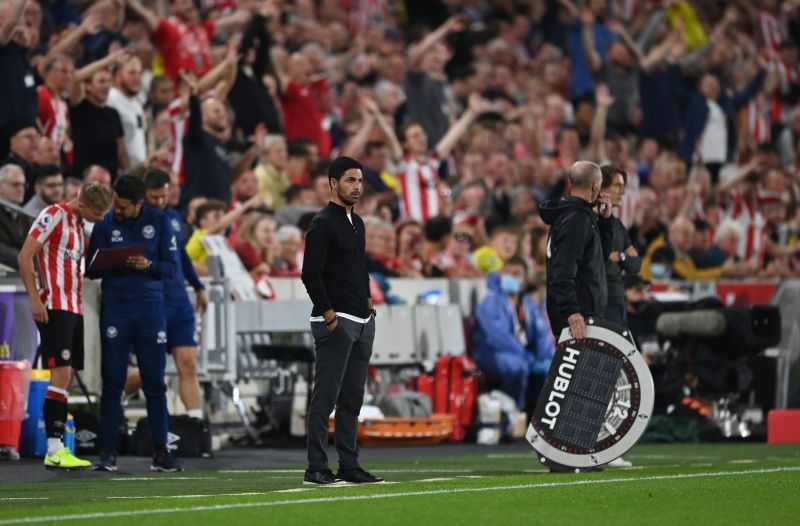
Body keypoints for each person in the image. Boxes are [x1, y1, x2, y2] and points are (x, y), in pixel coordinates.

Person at [87, 175, 181, 472]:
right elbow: (90, 269)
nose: (116, 210)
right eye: (115, 203)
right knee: (112, 382)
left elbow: (171, 268)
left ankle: (161, 452)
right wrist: (113, 261)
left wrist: (148, 265)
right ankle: (107, 453)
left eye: (122, 206)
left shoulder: (161, 222)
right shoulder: (104, 224)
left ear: (139, 204)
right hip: (116, 308)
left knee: (155, 383)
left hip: (150, 309)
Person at [17, 181, 111, 470]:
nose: (99, 218)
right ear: (82, 203)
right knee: (60, 373)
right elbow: (25, 256)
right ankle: (54, 448)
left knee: (67, 375)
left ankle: (59, 447)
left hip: (74, 306)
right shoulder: (53, 215)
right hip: (54, 307)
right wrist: (35, 299)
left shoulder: (79, 224)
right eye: (97, 213)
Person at [300, 156, 382, 485]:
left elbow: (358, 268)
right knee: (326, 397)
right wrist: (328, 313)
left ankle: (349, 465)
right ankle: (316, 467)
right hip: (337, 321)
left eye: (360, 181)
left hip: (361, 320)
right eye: (350, 180)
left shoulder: (357, 223)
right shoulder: (322, 223)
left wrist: (366, 300)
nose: (357, 186)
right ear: (333, 183)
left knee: (352, 399)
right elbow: (310, 273)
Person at [143, 169, 208, 425]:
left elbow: (182, 255)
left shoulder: (174, 218)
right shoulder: (137, 219)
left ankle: (195, 425)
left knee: (188, 364)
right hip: (152, 301)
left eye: (163, 196)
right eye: (153, 197)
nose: (159, 201)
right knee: (151, 369)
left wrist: (198, 286)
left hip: (179, 301)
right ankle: (116, 403)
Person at [539, 160, 613, 340]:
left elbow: (599, 258)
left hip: (581, 317)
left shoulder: (576, 215)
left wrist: (605, 221)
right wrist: (571, 311)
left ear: (571, 184)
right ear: (595, 187)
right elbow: (562, 270)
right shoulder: (576, 220)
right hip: (578, 321)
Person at [473, 257, 552, 410]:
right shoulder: (492, 300)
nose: (510, 277)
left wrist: (545, 356)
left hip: (519, 353)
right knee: (517, 366)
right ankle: (512, 412)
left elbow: (540, 331)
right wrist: (526, 356)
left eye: (516, 274)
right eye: (507, 273)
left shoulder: (526, 302)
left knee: (550, 368)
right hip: (492, 354)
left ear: (525, 279)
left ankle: (533, 413)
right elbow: (498, 337)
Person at [600, 165, 641, 326]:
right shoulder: (588, 224)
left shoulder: (618, 226)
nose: (623, 193)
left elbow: (636, 264)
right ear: (601, 187)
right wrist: (622, 258)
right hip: (600, 303)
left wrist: (620, 256)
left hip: (618, 299)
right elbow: (602, 264)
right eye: (617, 186)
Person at [0, 163, 32, 268]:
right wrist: (26, 258)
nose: (21, 189)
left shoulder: (25, 215)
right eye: (15, 184)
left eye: (23, 185)